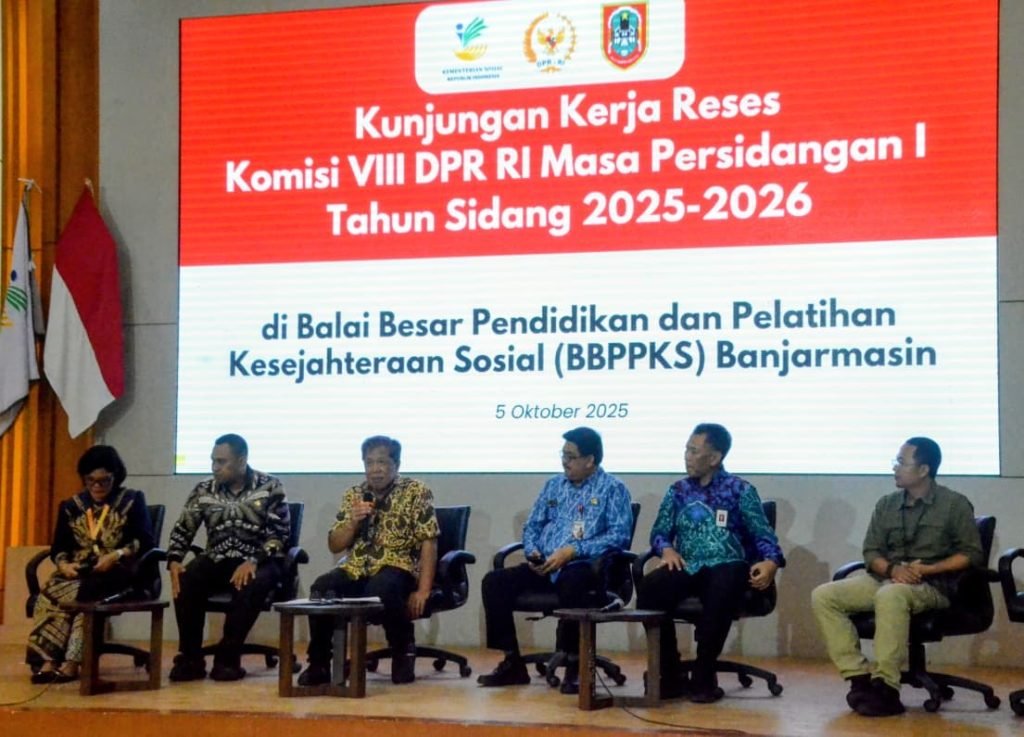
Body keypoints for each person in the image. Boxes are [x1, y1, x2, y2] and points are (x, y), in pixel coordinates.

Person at [811, 437, 983, 717]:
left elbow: (971, 554)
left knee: (891, 594)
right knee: (824, 595)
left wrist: (927, 570)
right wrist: (893, 570)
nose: (895, 467)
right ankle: (859, 678)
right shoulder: (886, 505)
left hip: (932, 584)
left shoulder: (954, 504)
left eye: (902, 462)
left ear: (924, 470)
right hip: (887, 578)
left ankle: (887, 687)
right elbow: (871, 551)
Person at [477, 426, 634, 694]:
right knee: (494, 582)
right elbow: (533, 525)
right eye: (563, 455)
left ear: (590, 460)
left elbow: (619, 536)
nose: (564, 462)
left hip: (588, 569)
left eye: (571, 457)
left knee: (574, 580)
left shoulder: (613, 489)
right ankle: (512, 662)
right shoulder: (553, 485)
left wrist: (574, 550)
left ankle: (575, 665)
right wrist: (533, 552)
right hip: (546, 566)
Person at [637, 423, 784, 703]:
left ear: (714, 457)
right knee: (650, 588)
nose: (687, 456)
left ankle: (704, 674)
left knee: (723, 582)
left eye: (694, 451)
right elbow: (659, 532)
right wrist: (666, 549)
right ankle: (668, 672)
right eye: (686, 450)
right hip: (689, 564)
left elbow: (764, 536)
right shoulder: (677, 491)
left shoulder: (740, 490)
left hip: (728, 565)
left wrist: (771, 562)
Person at [298, 435, 439, 686]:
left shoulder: (416, 491)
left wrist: (423, 590)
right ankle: (319, 663)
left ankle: (403, 649)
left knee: (382, 588)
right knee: (322, 587)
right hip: (357, 567)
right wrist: (353, 521)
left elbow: (429, 541)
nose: (375, 470)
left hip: (398, 565)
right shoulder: (355, 494)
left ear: (396, 465)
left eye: (382, 462)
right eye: (369, 462)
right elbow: (335, 544)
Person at [166, 433, 291, 682]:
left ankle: (228, 659)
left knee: (251, 582)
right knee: (186, 579)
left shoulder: (270, 486)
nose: (215, 467)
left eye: (221, 462)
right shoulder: (204, 489)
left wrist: (253, 560)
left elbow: (280, 535)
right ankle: (190, 658)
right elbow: (184, 528)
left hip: (259, 561)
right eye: (213, 461)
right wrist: (174, 559)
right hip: (217, 558)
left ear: (242, 461)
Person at [26, 445, 155, 683]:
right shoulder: (72, 506)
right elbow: (59, 547)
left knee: (85, 593)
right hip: (79, 572)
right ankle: (48, 660)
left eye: (104, 481)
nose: (97, 486)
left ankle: (72, 662)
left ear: (115, 477)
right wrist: (63, 565)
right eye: (90, 481)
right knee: (51, 590)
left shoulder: (131, 500)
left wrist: (116, 555)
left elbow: (146, 540)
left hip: (119, 572)